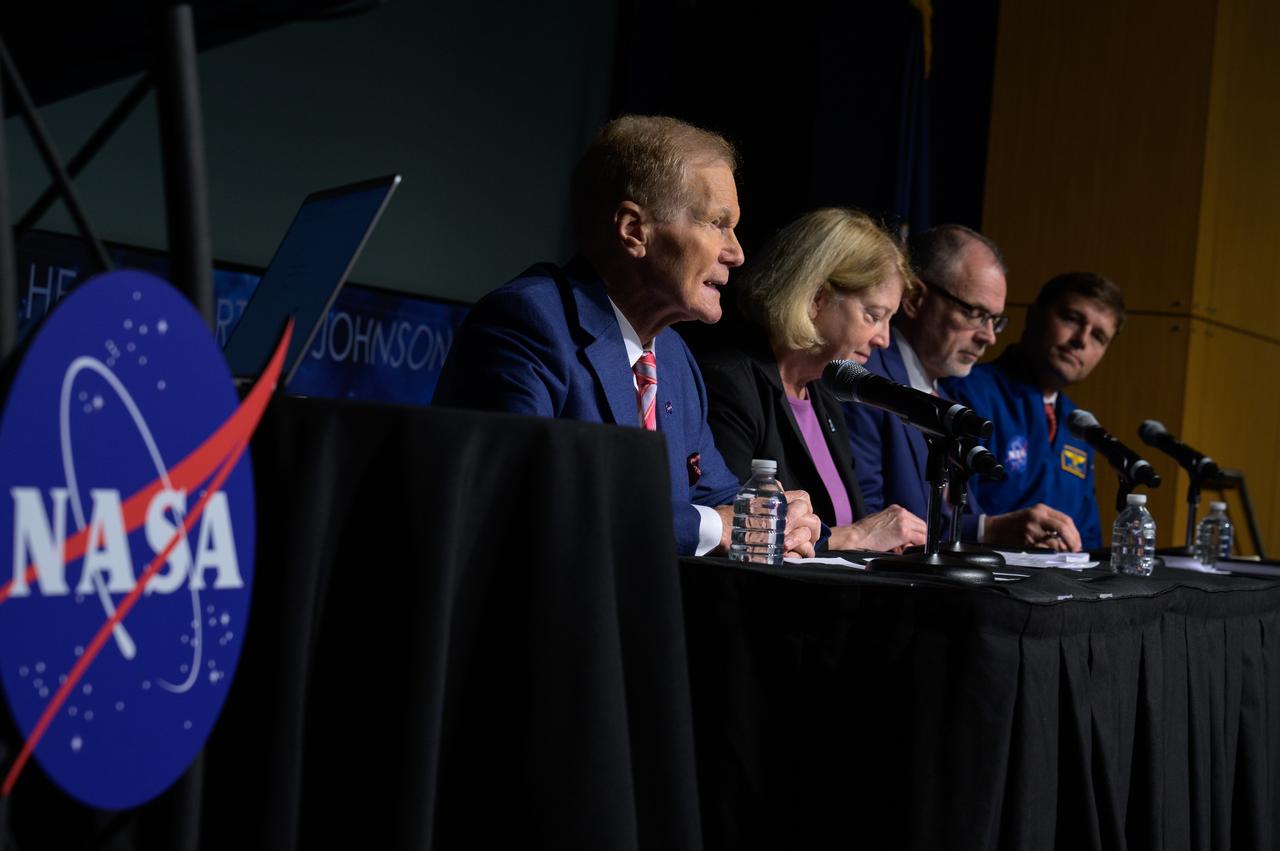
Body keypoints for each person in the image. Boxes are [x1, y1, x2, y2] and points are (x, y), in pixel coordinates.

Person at [432, 115, 821, 558]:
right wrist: (715, 526)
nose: (736, 253)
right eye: (717, 223)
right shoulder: (526, 325)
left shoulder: (673, 355)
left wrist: (783, 519)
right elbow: (525, 496)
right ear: (634, 230)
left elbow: (721, 501)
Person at [688, 208, 927, 551]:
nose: (884, 339)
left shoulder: (824, 394)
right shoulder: (730, 381)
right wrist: (855, 537)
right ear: (817, 297)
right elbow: (740, 531)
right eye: (874, 316)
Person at [845, 224, 1086, 551]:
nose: (989, 336)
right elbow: (868, 524)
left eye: (995, 320)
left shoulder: (942, 400)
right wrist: (987, 530)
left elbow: (946, 517)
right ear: (915, 299)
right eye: (975, 314)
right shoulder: (867, 384)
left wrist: (991, 529)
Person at [942, 271, 1127, 551]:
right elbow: (939, 516)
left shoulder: (1081, 427)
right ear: (1034, 316)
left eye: (1099, 336)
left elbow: (1088, 541)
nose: (1082, 340)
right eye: (1072, 319)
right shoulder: (965, 392)